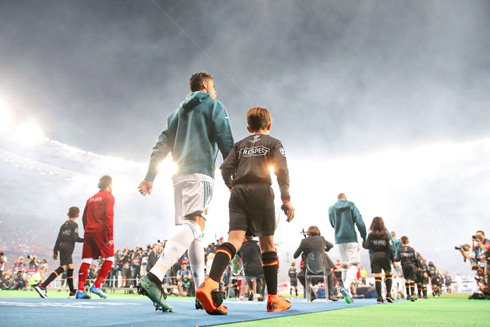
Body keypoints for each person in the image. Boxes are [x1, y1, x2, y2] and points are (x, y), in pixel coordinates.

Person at [138, 71, 234, 312]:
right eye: (213, 85)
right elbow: (226, 140)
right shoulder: (213, 105)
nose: (215, 90)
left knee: (196, 233)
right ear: (204, 85)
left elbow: (160, 145)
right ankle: (155, 275)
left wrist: (150, 177)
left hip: (178, 177)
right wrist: (234, 175)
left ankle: (201, 288)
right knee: (194, 225)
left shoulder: (175, 114)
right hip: (200, 172)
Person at [196, 106, 295, 315]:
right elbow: (282, 171)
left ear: (248, 127)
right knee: (267, 245)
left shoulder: (240, 145)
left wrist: (231, 185)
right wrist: (286, 200)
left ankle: (210, 283)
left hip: (238, 192)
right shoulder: (274, 143)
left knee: (234, 240)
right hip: (261, 191)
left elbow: (224, 168)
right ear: (269, 125)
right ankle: (273, 299)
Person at [76, 175, 115, 299]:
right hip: (102, 232)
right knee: (109, 258)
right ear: (109, 184)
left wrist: (87, 229)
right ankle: (96, 285)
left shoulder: (90, 199)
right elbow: (109, 216)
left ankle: (80, 290)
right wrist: (110, 236)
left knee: (87, 260)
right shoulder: (109, 197)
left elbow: (84, 217)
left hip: (89, 232)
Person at [34, 206, 84, 298]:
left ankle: (72, 292)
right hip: (69, 246)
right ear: (78, 215)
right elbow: (75, 238)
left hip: (62, 246)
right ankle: (42, 286)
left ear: (68, 214)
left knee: (70, 267)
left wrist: (55, 251)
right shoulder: (74, 225)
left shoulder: (63, 225)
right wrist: (85, 240)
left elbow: (59, 238)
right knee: (63, 267)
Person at [328, 193, 366, 303]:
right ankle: (345, 286)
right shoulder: (351, 205)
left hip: (339, 239)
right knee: (354, 264)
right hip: (351, 238)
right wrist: (364, 237)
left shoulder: (331, 208)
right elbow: (359, 222)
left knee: (344, 265)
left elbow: (332, 223)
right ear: (345, 198)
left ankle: (347, 293)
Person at [293, 226, 336, 302]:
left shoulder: (304, 241)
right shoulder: (322, 239)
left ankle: (312, 295)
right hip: (322, 270)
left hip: (309, 270)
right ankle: (330, 294)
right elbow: (331, 245)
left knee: (299, 275)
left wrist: (304, 251)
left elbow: (295, 255)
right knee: (330, 275)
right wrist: (324, 250)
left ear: (309, 233)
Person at [362, 217, 395, 304]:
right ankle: (388, 294)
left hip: (375, 256)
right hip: (385, 255)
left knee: (378, 276)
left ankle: (379, 297)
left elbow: (367, 246)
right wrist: (393, 259)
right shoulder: (386, 234)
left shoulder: (371, 235)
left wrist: (363, 245)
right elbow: (389, 248)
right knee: (388, 274)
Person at [237, 236, 265, 301]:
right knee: (263, 278)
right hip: (258, 270)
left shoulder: (241, 246)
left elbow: (238, 256)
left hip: (247, 270)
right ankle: (261, 294)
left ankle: (251, 291)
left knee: (247, 275)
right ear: (252, 236)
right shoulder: (257, 244)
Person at [395, 236, 419, 302]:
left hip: (404, 266)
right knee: (411, 280)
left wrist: (393, 260)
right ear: (408, 241)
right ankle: (412, 294)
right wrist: (418, 266)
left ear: (401, 242)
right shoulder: (412, 249)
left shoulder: (400, 250)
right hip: (411, 265)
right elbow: (415, 258)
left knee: (406, 280)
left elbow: (398, 259)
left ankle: (408, 295)